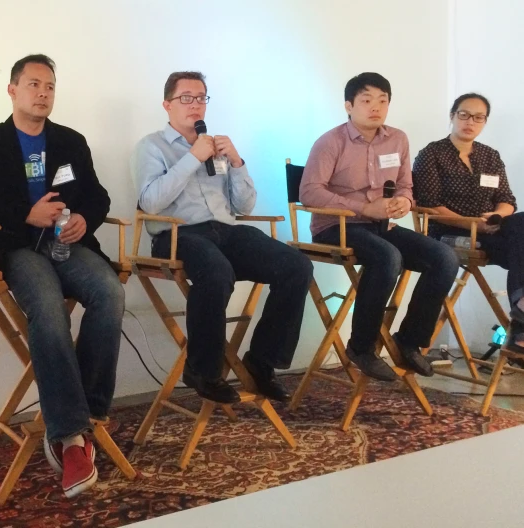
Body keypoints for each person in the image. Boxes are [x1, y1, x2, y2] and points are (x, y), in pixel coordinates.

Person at [0, 54, 124, 498]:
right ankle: (70, 436)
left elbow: (98, 197)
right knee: (47, 307)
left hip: (68, 244)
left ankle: (86, 412)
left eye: (49, 86)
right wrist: (24, 214)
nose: (43, 93)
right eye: (33, 85)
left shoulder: (70, 141)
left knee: (109, 291)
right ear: (12, 90)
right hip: (17, 247)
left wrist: (85, 217)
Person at [131, 71, 313, 405]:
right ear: (167, 104)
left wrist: (238, 162)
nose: (195, 105)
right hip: (178, 234)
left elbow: (245, 205)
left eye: (201, 97)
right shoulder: (151, 146)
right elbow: (150, 202)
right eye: (186, 97)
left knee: (296, 265)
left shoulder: (216, 147)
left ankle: (261, 362)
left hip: (226, 231)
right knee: (216, 271)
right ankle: (203, 370)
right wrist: (192, 158)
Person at [300, 72, 459, 382]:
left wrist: (404, 202)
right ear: (349, 105)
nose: (376, 107)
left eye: (383, 101)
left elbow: (405, 185)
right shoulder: (331, 141)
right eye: (367, 100)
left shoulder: (397, 138)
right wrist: (362, 207)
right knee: (388, 257)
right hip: (337, 226)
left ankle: (408, 341)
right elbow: (309, 191)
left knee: (445, 257)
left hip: (380, 227)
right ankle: (361, 347)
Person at [413, 93, 523, 350]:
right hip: (448, 233)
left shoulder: (490, 156)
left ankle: (520, 313)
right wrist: (475, 224)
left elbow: (506, 199)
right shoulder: (432, 154)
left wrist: (498, 217)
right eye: (463, 114)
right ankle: (520, 328)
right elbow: (430, 206)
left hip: (491, 230)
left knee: (521, 223)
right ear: (452, 116)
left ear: (485, 122)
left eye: (478, 117)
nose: (469, 121)